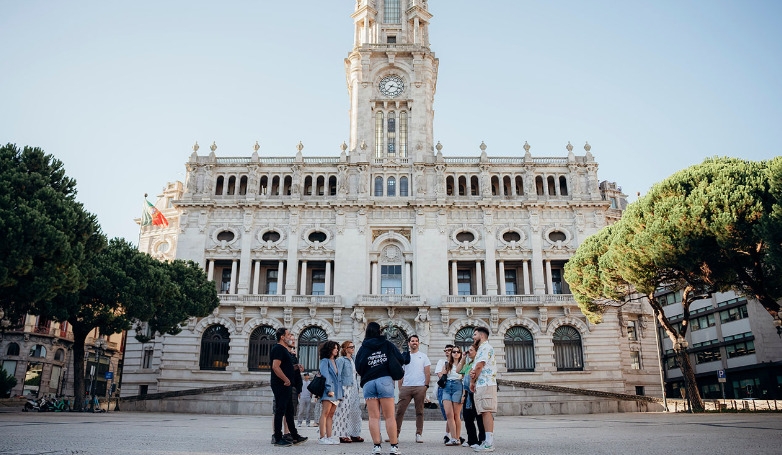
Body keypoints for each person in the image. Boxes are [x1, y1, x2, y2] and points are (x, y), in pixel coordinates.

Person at [355, 321, 403, 455]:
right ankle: (394, 447)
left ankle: (376, 446)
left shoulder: (363, 347)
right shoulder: (387, 344)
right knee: (389, 416)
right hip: (385, 380)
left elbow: (358, 366)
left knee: (373, 417)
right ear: (379, 332)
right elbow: (400, 358)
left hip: (369, 382)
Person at [270, 327, 307, 447]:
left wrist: (296, 367)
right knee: (280, 410)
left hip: (287, 384)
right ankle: (277, 437)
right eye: (288, 334)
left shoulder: (284, 350)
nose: (290, 336)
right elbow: (276, 366)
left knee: (290, 411)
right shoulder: (278, 349)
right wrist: (285, 379)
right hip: (281, 384)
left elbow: (286, 366)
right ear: (282, 337)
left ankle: (295, 436)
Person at [394, 334, 431, 443]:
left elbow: (427, 372)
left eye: (416, 341)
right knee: (399, 411)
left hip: (420, 387)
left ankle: (418, 434)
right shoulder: (404, 356)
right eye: (412, 341)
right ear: (409, 343)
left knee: (419, 412)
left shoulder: (423, 356)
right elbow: (401, 372)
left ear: (418, 343)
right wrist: (400, 387)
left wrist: (426, 386)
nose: (414, 342)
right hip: (406, 387)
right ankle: (395, 434)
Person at [470, 326, 497, 452]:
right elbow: (476, 367)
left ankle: (489, 443)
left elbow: (480, 366)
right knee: (484, 412)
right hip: (482, 384)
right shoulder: (482, 348)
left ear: (481, 336)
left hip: (486, 384)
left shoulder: (485, 348)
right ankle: (487, 441)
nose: (473, 337)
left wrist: (473, 380)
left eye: (474, 335)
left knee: (486, 412)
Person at [333, 340, 364, 443]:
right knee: (343, 411)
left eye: (353, 347)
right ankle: (342, 434)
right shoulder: (341, 360)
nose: (353, 348)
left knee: (355, 411)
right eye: (351, 347)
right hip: (345, 387)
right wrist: (338, 391)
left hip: (354, 387)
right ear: (345, 349)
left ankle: (354, 433)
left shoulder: (354, 359)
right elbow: (338, 375)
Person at [318, 340, 343, 445]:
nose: (336, 350)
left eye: (337, 348)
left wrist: (340, 393)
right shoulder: (325, 361)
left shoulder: (336, 362)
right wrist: (329, 389)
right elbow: (325, 376)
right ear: (329, 349)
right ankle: (322, 437)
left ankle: (329, 436)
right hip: (329, 391)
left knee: (331, 415)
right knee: (325, 413)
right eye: (334, 348)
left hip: (336, 392)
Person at [440, 345, 465, 446]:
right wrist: (445, 369)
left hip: (458, 386)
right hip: (447, 387)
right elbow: (442, 375)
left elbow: (464, 379)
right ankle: (453, 438)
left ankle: (457, 438)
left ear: (460, 353)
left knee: (456, 415)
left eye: (457, 352)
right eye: (453, 352)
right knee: (449, 414)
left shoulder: (463, 364)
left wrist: (464, 394)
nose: (455, 353)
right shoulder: (447, 364)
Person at [461, 343, 485, 449]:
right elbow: (458, 371)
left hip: (476, 392)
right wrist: (463, 358)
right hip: (467, 393)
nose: (468, 352)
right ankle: (471, 439)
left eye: (470, 350)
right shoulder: (468, 363)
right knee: (467, 417)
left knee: (479, 417)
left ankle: (482, 440)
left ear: (476, 352)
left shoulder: (478, 363)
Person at [435, 344, 454, 444]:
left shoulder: (457, 362)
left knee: (453, 413)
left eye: (449, 350)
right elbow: (440, 374)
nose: (447, 352)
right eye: (445, 350)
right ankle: (450, 435)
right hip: (443, 388)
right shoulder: (441, 362)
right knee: (447, 413)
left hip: (455, 388)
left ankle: (450, 435)